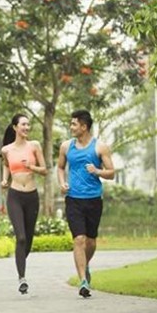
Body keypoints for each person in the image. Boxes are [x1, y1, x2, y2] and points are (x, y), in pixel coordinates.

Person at [56, 109, 115, 298]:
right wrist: (62, 183)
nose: (71, 127)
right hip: (73, 199)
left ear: (84, 126)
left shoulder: (100, 147)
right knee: (79, 239)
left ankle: (85, 264)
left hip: (94, 199)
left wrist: (97, 171)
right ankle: (83, 281)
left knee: (90, 241)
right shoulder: (66, 146)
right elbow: (60, 167)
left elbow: (111, 173)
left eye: (74, 124)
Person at [0, 114, 48, 294]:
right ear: (15, 127)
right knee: (20, 237)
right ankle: (22, 278)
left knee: (27, 240)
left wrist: (31, 167)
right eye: (23, 124)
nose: (27, 127)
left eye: (28, 124)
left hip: (31, 197)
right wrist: (4, 179)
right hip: (15, 196)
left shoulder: (34, 146)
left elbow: (45, 170)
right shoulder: (6, 150)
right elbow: (6, 165)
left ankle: (20, 260)